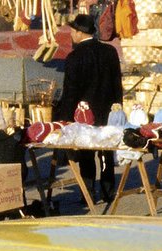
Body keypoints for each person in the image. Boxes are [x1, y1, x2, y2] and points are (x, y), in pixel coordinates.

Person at [55, 13, 122, 203]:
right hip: (108, 110)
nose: (71, 35)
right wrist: (119, 107)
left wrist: (64, 119)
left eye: (72, 31)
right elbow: (117, 83)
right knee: (106, 150)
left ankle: (89, 193)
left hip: (84, 113)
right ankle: (108, 191)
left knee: (86, 151)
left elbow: (71, 93)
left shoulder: (74, 57)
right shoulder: (110, 52)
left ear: (79, 33)